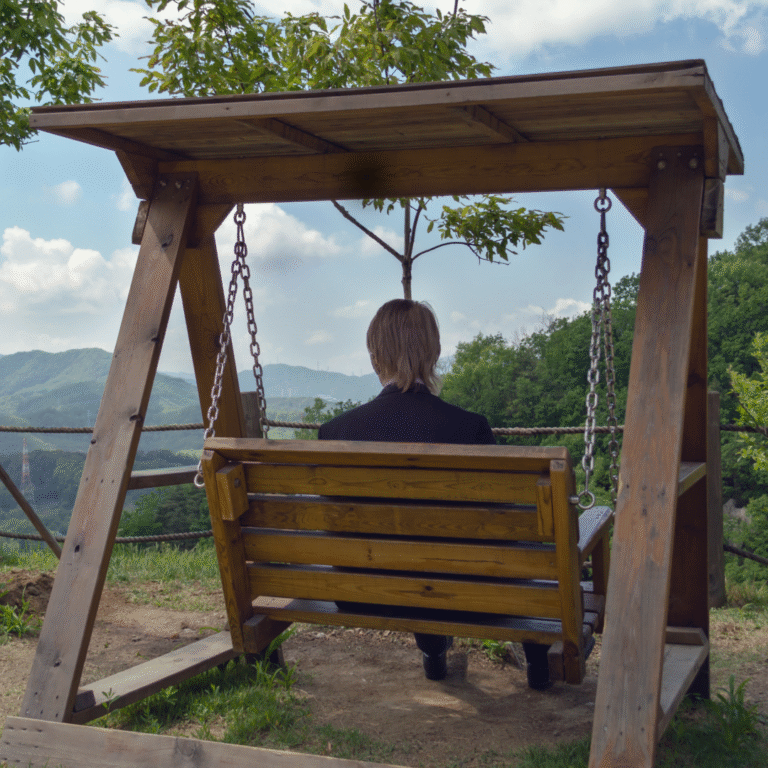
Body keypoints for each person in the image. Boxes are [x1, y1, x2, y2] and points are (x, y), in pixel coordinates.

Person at [319, 299, 551, 689]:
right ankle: (539, 660)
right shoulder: (470, 429)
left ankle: (433, 650)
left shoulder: (335, 433)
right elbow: (504, 529)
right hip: (469, 594)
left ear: (375, 358)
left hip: (361, 592)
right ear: (436, 352)